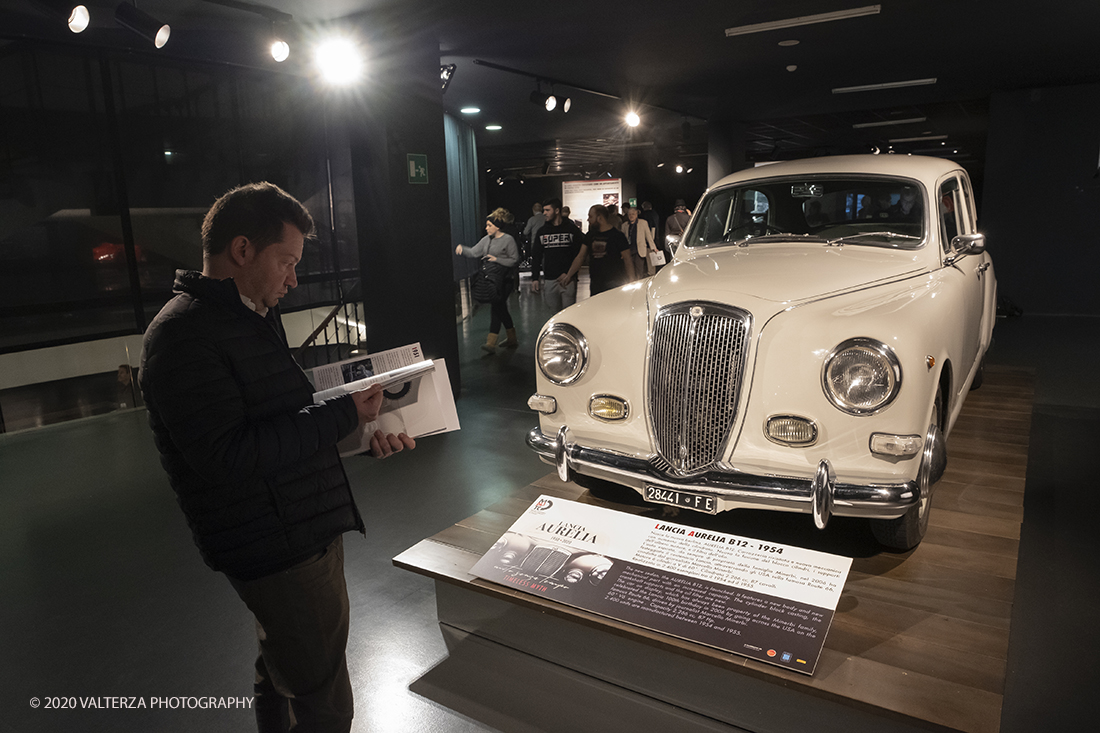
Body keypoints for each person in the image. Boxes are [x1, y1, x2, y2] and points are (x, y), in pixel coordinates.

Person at [140, 182, 415, 733]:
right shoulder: (183, 335)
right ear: (242, 251)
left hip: (296, 523)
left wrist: (358, 434)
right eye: (286, 261)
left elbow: (276, 422)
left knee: (283, 673)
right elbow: (228, 456)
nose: (293, 278)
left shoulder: (242, 316)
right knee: (324, 700)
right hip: (276, 545)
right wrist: (343, 416)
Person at [456, 207, 520, 352]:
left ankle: (491, 342)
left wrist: (496, 259)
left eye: (489, 225)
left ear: (497, 226)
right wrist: (462, 249)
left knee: (497, 308)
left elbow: (515, 260)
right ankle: (511, 337)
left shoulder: (508, 240)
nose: (486, 228)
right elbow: (474, 252)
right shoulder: (486, 240)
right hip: (492, 279)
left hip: (504, 280)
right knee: (500, 308)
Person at [530, 197, 583, 314]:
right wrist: (535, 278)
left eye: (547, 210)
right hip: (550, 279)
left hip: (568, 279)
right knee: (553, 316)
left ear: (557, 211)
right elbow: (537, 255)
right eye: (544, 210)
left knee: (569, 315)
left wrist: (569, 274)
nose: (544, 213)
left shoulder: (571, 229)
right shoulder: (542, 231)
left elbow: (579, 254)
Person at [581, 204, 634, 295]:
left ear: (599, 218)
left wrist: (632, 280)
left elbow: (627, 259)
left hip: (614, 282)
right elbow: (580, 256)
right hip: (596, 283)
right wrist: (568, 275)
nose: (588, 219)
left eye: (590, 216)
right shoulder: (590, 235)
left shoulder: (617, 236)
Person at [622, 205, 660, 278]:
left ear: (636, 214)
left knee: (639, 271)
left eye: (633, 214)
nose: (631, 216)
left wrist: (654, 248)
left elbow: (648, 236)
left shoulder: (643, 223)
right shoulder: (624, 225)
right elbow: (622, 240)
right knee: (630, 272)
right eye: (629, 214)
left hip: (640, 250)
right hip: (629, 251)